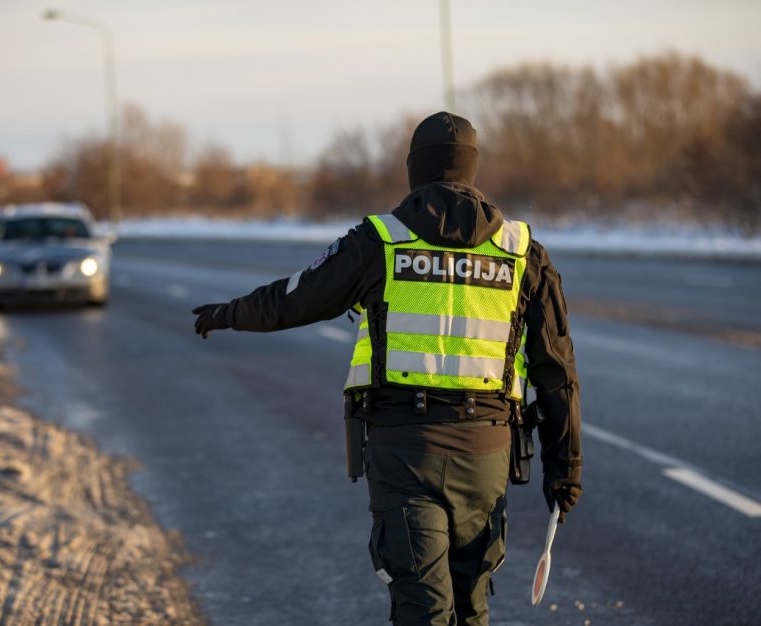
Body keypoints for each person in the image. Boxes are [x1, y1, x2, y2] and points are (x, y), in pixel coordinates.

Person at [192, 111, 582, 626]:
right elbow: (556, 369)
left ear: (413, 169)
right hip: (487, 453)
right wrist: (565, 468)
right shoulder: (521, 252)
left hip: (404, 454)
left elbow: (295, 299)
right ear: (473, 168)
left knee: (423, 608)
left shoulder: (380, 240)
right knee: (471, 607)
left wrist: (228, 313)